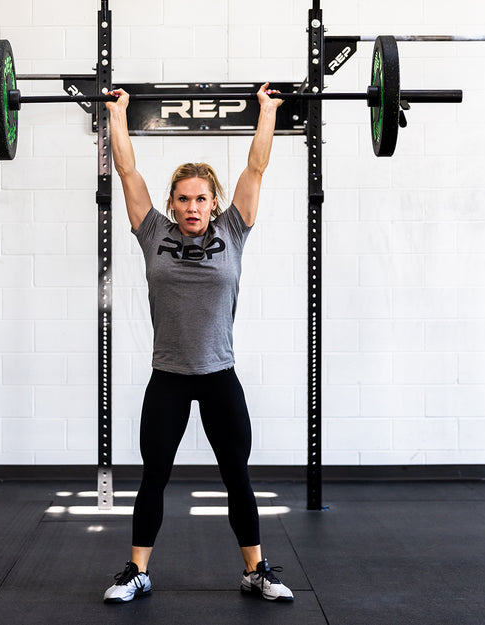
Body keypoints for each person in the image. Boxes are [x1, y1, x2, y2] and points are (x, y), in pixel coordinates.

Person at [101, 83, 293, 604]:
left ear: (214, 202)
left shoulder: (234, 229)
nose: (191, 207)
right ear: (171, 203)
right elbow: (127, 172)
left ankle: (256, 571)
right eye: (183, 199)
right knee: (154, 477)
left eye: (200, 198)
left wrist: (268, 111)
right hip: (167, 375)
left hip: (218, 376)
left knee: (237, 476)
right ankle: (136, 571)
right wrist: (117, 114)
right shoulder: (152, 232)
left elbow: (255, 168)